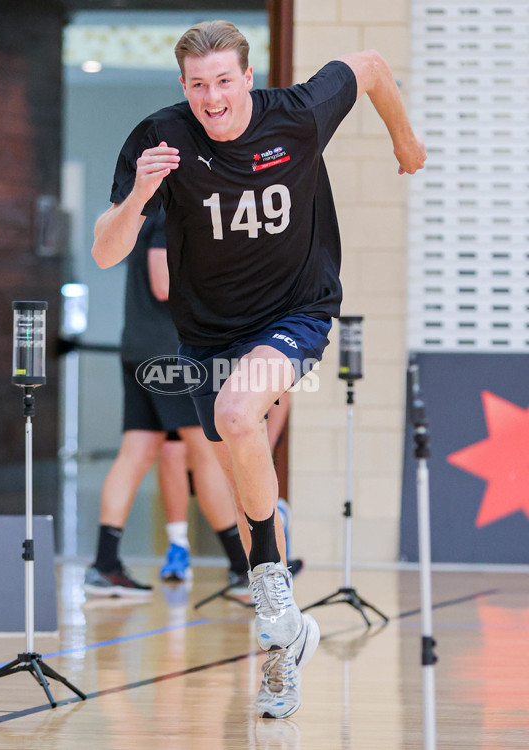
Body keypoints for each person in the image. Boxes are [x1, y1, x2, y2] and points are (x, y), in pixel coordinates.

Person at [91, 20, 426, 719]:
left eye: (223, 81)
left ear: (247, 78)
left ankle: (268, 580)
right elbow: (104, 251)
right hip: (208, 334)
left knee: (238, 414)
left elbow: (366, 64)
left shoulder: (297, 115)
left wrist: (403, 137)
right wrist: (135, 199)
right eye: (197, 85)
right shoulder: (161, 139)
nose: (211, 97)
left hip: (295, 312)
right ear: (183, 88)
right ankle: (284, 642)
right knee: (240, 458)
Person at [84, 207, 250, 596]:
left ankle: (105, 565)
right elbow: (163, 282)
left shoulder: (151, 212)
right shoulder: (165, 214)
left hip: (140, 347)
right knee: (205, 453)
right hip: (169, 353)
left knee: (137, 451)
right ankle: (241, 566)